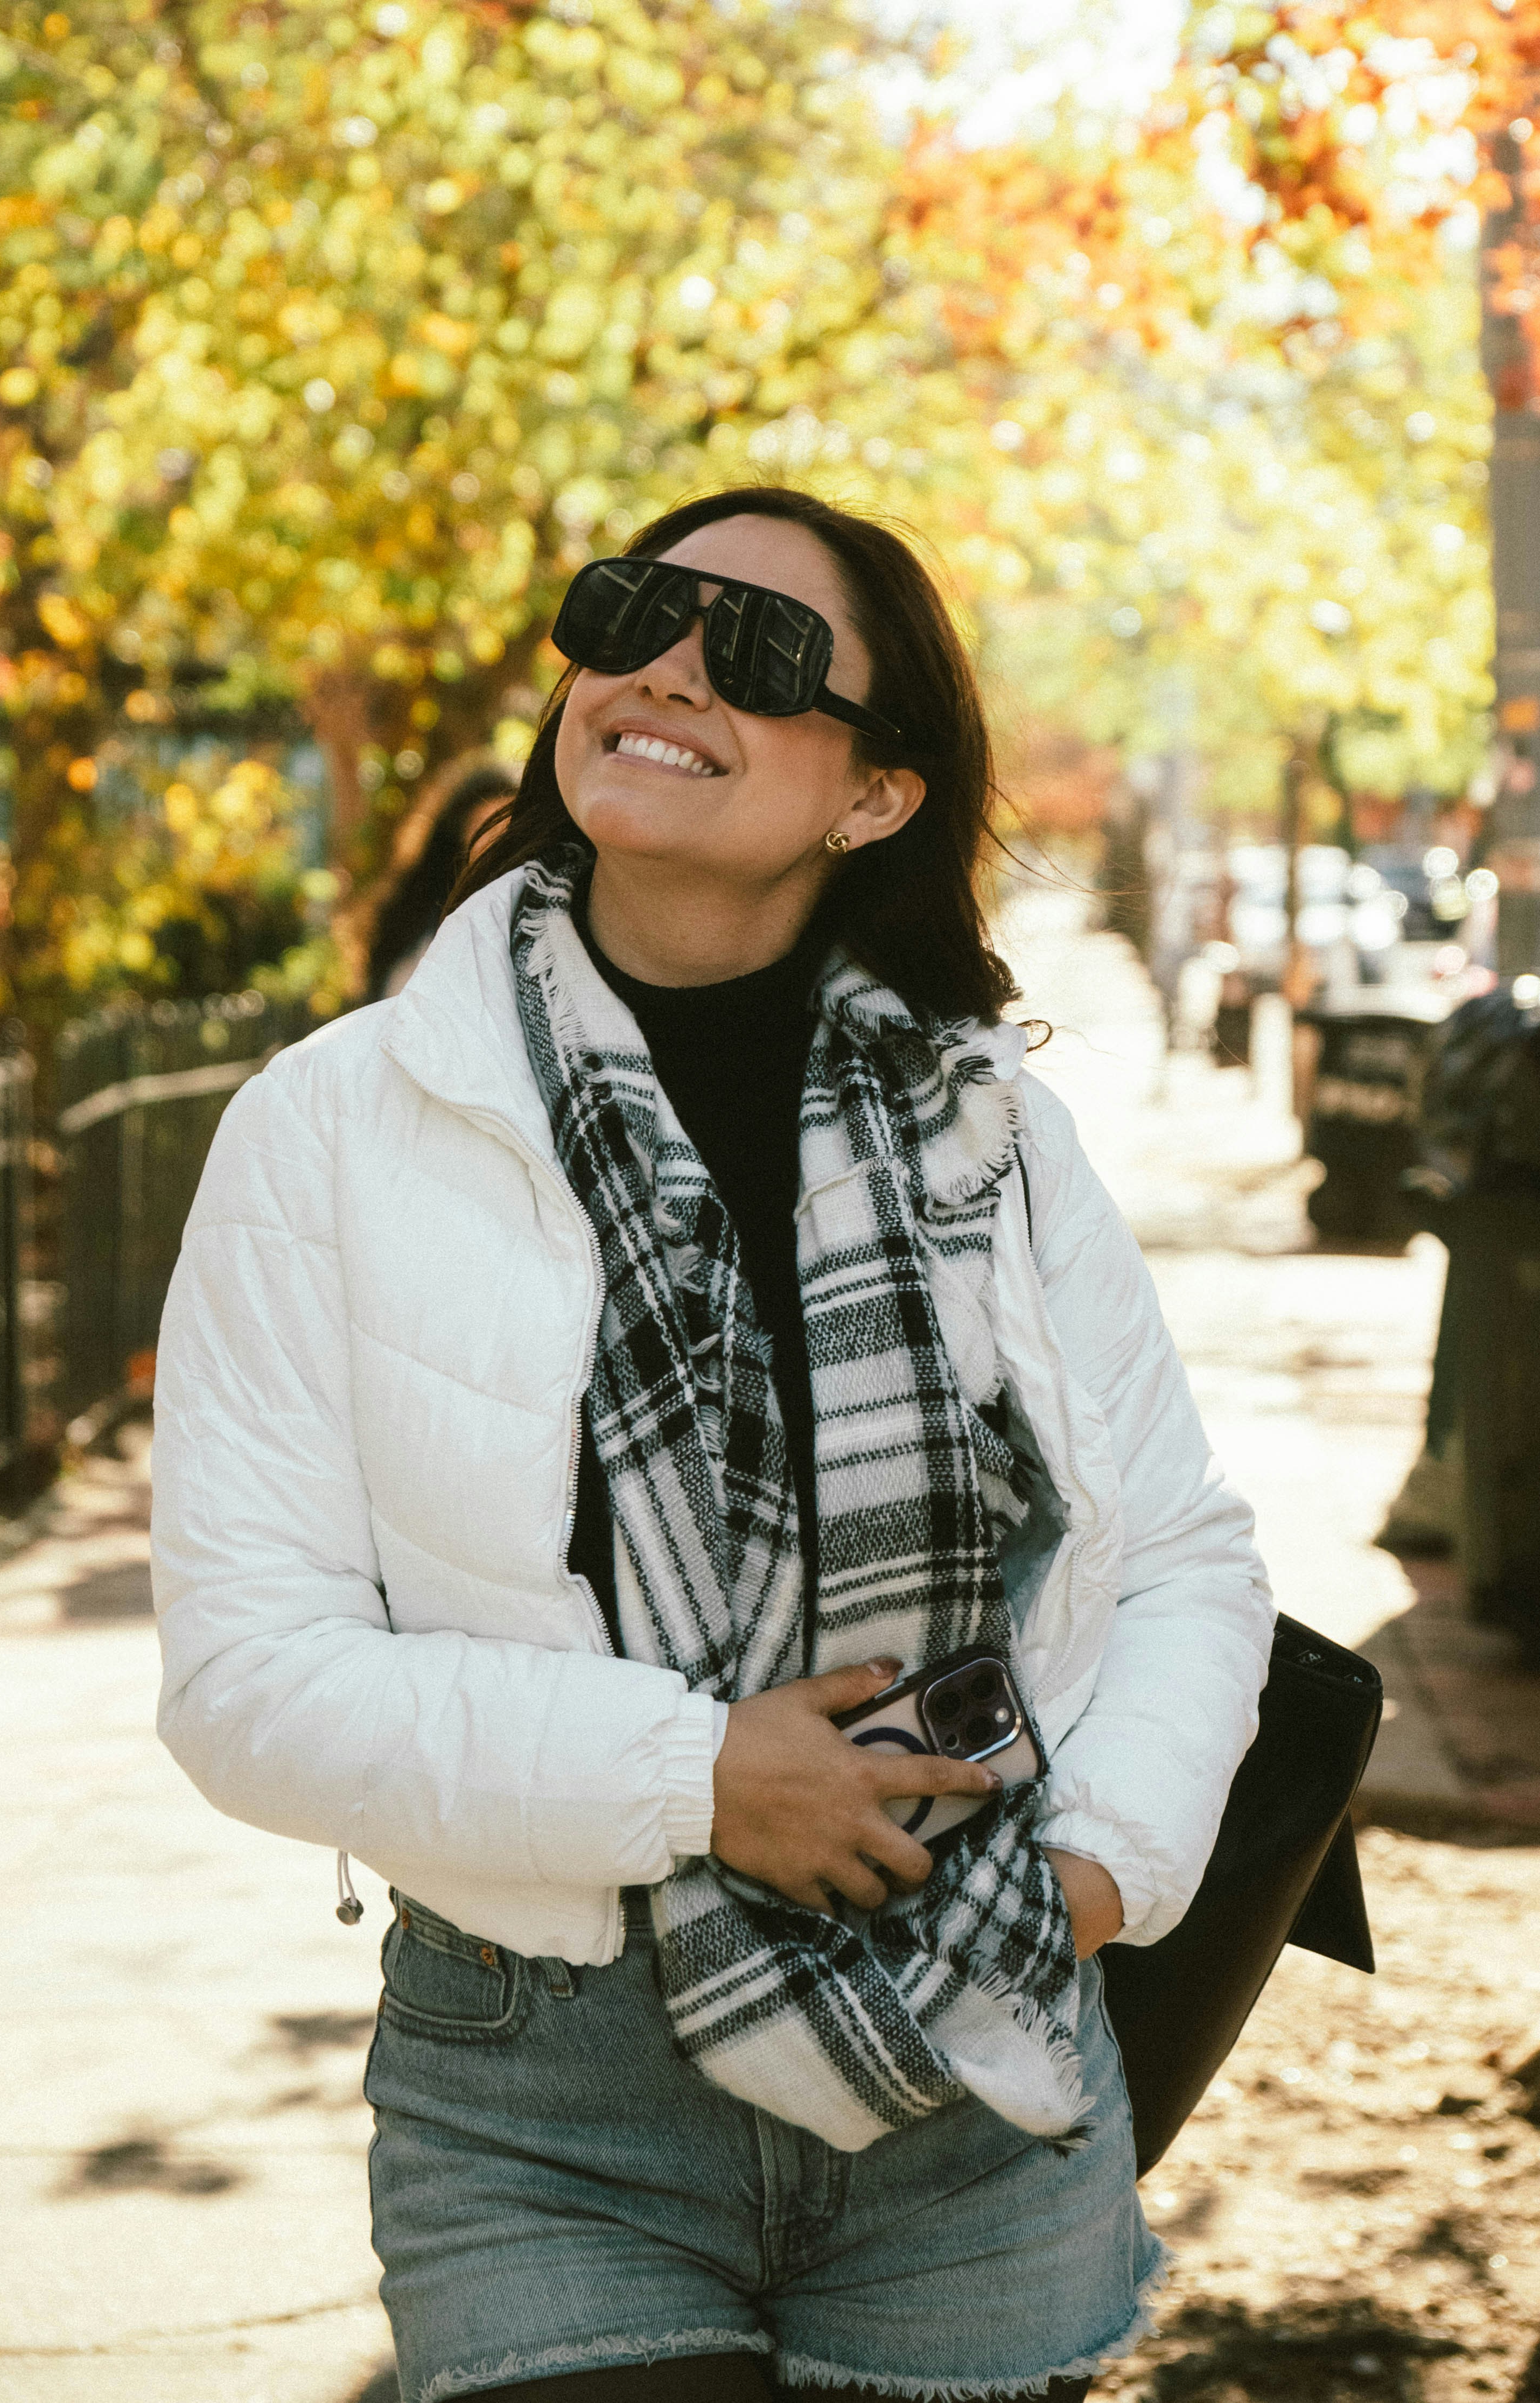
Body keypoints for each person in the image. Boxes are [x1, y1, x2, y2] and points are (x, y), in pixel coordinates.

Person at [151, 486, 1275, 2402]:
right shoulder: (327, 1129)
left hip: (973, 2064)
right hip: (545, 2091)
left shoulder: (990, 1131)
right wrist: (693, 1774)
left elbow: (1177, 1557)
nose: (665, 665)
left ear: (873, 792)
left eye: (753, 654)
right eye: (631, 614)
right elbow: (246, 1679)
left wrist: (1090, 1872)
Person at [361, 756, 521, 1000]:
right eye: (484, 828)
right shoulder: (414, 914)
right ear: (459, 834)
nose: (495, 845)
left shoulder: (535, 916)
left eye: (508, 830)